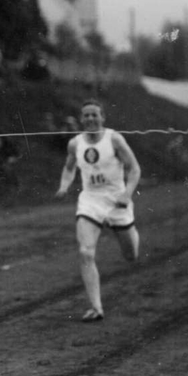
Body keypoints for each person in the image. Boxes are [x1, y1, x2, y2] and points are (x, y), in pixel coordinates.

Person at [55, 99, 142, 322]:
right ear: (81, 119)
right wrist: (64, 186)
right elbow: (69, 167)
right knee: (85, 252)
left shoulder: (114, 139)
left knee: (131, 255)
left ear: (103, 117)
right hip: (90, 201)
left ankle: (131, 233)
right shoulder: (75, 143)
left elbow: (134, 169)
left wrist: (127, 194)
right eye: (87, 115)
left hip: (116, 202)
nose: (91, 119)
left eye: (95, 115)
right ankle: (96, 307)